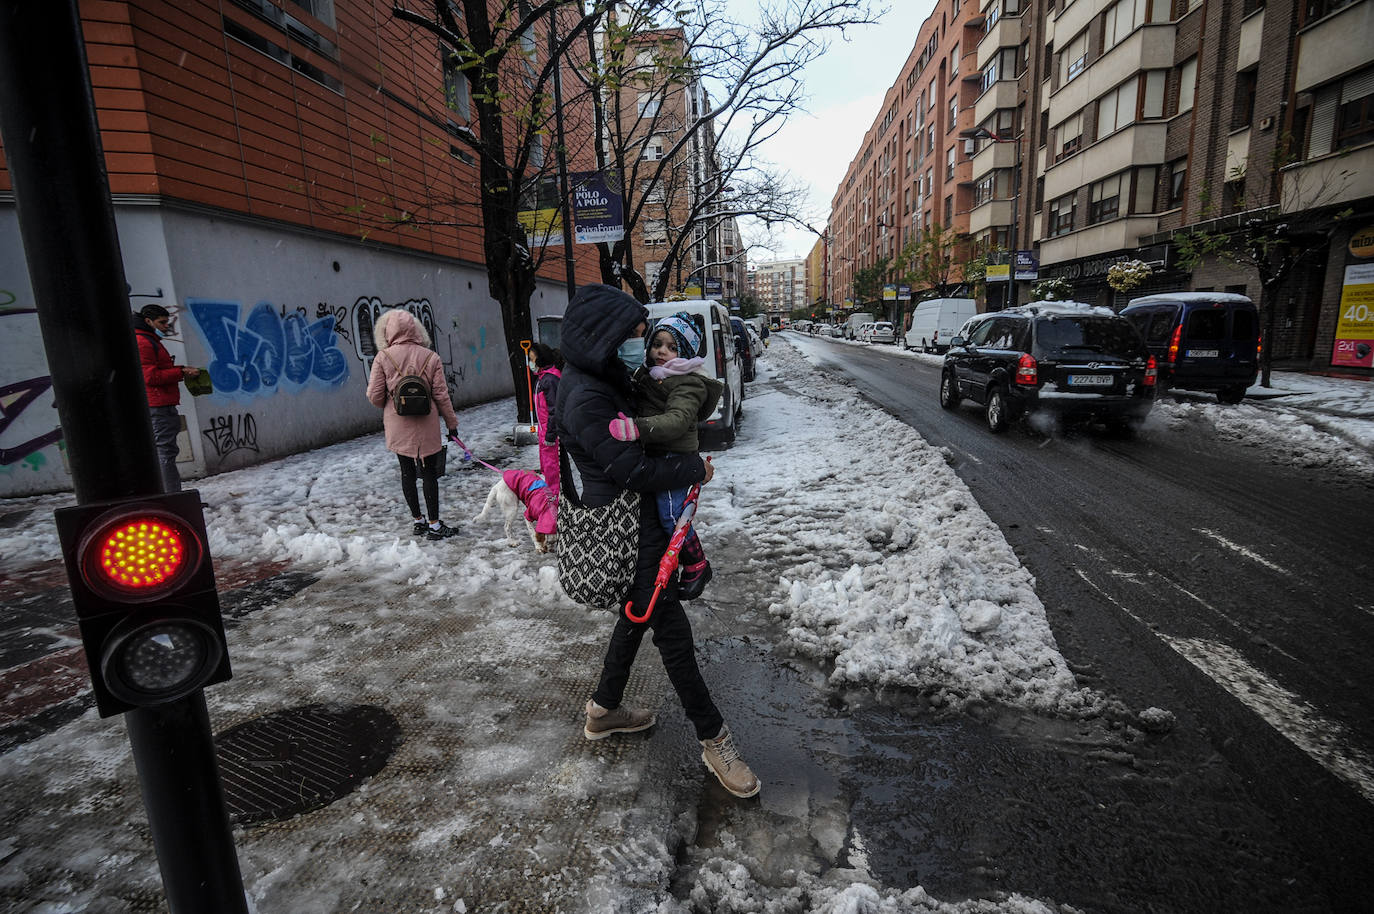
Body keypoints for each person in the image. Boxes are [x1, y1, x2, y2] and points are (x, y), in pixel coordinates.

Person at [556, 284, 759, 799]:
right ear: (604, 336)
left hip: (637, 523)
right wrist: (695, 466)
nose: (640, 346)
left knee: (637, 612)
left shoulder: (601, 378)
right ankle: (715, 740)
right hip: (628, 527)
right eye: (633, 335)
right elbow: (632, 468)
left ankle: (604, 709)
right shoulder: (587, 396)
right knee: (671, 632)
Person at [607, 312, 721, 600]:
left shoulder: (688, 382)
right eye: (658, 343)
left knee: (672, 516)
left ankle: (697, 563)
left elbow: (678, 421)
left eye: (672, 347)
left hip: (675, 456)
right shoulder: (654, 376)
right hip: (658, 455)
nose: (662, 351)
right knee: (664, 515)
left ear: (685, 353)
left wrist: (637, 428)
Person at [366, 309, 460, 541]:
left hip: (398, 424)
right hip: (426, 423)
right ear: (416, 329)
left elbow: (375, 396)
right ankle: (435, 525)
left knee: (406, 471)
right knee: (429, 473)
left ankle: (418, 521)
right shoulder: (431, 357)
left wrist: (392, 399)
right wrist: (451, 423)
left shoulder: (383, 357)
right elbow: (441, 395)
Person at [132, 304, 200, 492]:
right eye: (161, 322)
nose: (165, 326)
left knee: (164, 451)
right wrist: (181, 372)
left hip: (158, 402)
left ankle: (170, 495)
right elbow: (150, 377)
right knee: (164, 453)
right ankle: (172, 496)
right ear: (148, 321)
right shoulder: (143, 342)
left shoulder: (147, 339)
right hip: (157, 403)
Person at [529, 342, 563, 513]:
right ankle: (551, 502)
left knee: (552, 472)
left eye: (532, 359)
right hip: (545, 433)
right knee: (548, 469)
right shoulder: (543, 378)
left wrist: (550, 435)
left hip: (551, 436)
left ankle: (553, 508)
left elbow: (554, 410)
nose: (530, 363)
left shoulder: (549, 379)